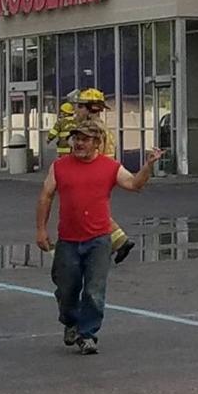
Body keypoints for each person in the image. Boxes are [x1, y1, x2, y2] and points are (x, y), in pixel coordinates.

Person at [34, 119, 162, 355]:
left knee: (94, 291)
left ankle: (87, 335)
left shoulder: (109, 167)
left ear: (97, 142)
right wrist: (41, 229)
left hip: (99, 240)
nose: (78, 143)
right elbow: (46, 196)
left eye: (84, 139)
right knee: (67, 289)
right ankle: (70, 321)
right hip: (68, 240)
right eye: (76, 138)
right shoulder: (59, 167)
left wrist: (148, 166)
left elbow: (134, 184)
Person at [76, 89, 135, 264]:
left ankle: (108, 245)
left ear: (91, 108)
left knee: (88, 211)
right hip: (103, 173)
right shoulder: (101, 127)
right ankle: (117, 242)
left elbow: (90, 154)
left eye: (80, 106)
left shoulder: (92, 129)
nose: (76, 110)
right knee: (92, 211)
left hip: (94, 174)